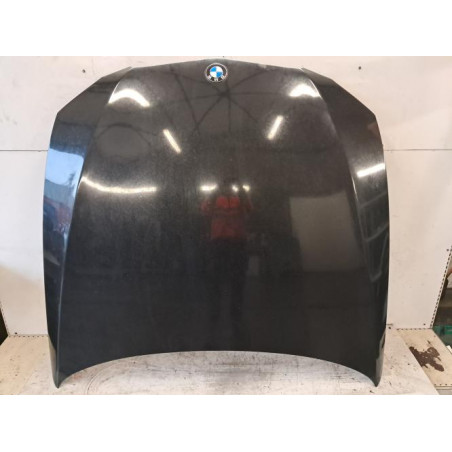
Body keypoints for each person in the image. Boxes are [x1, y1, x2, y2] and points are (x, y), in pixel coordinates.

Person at [201, 178, 252, 340]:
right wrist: (213, 193)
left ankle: (235, 312)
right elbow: (204, 210)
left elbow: (249, 210)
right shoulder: (216, 199)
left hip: (237, 243)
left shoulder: (239, 199)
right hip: (219, 243)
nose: (227, 188)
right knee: (216, 279)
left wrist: (242, 192)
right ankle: (215, 311)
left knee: (237, 280)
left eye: (229, 186)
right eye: (225, 186)